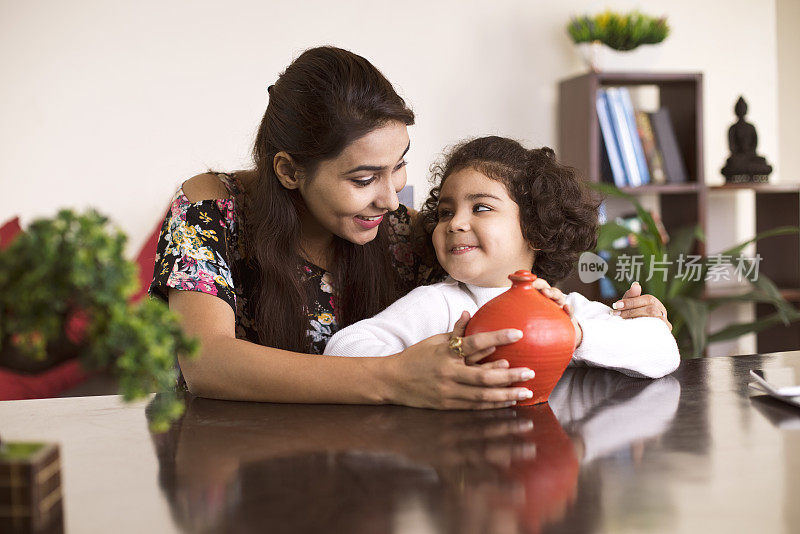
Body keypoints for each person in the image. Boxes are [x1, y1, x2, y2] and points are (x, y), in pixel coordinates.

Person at [150, 46, 672, 409]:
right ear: (289, 170)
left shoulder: (400, 232)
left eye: (399, 165)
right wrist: (393, 379)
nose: (391, 196)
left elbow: (498, 268)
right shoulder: (214, 204)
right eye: (363, 177)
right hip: (230, 461)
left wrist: (630, 324)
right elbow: (208, 363)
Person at [324, 137, 679, 380]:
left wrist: (574, 336)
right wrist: (440, 354)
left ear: (536, 227)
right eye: (445, 213)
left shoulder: (564, 310)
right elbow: (342, 351)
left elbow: (663, 350)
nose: (455, 223)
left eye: (481, 207)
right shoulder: (441, 305)